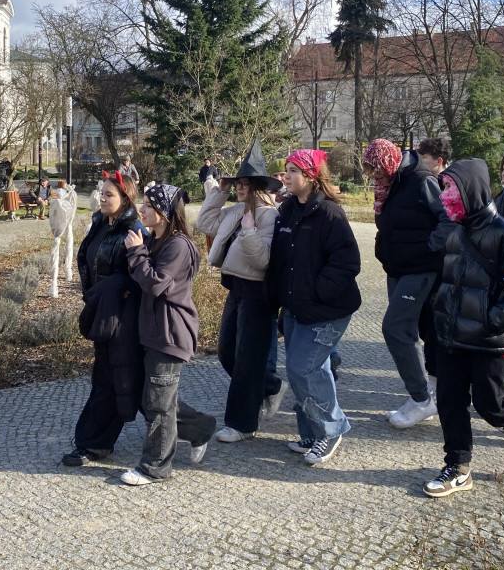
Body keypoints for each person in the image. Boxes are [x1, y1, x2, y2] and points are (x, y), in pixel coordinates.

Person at [422, 158, 504, 498]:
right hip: (452, 338)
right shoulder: (455, 231)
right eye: (443, 189)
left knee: (490, 404)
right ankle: (458, 466)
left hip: (488, 341)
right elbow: (450, 283)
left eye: (450, 188)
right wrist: (439, 314)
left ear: (471, 190)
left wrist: (485, 322)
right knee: (448, 401)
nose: (445, 196)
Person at [267, 149, 361, 465]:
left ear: (310, 176)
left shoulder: (330, 214)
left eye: (293, 170)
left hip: (327, 308)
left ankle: (332, 429)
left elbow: (347, 264)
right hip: (297, 306)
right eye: (286, 170)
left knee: (302, 368)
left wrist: (316, 292)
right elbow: (281, 261)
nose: (286, 175)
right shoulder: (289, 210)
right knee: (306, 370)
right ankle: (311, 433)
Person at [118, 184, 216, 485]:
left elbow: (156, 284)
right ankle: (200, 428)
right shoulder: (155, 239)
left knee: (159, 404)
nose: (141, 209)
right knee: (156, 399)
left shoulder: (178, 246)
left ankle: (156, 467)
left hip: (170, 334)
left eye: (149, 205)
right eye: (143, 203)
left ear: (164, 211)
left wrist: (135, 252)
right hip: (152, 331)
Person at [195, 140, 284, 444]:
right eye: (238, 183)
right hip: (235, 288)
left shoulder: (269, 216)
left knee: (247, 359)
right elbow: (204, 221)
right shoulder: (234, 209)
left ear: (258, 186)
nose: (240, 188)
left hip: (258, 294)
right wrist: (219, 190)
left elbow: (263, 261)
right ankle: (270, 386)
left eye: (245, 184)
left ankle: (242, 423)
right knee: (226, 352)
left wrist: (248, 231)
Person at [363, 139, 453, 429]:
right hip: (397, 267)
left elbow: (449, 219)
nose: (373, 176)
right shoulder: (390, 182)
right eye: (368, 170)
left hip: (421, 267)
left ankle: (421, 399)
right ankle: (428, 395)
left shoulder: (421, 179)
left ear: (388, 161)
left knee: (395, 328)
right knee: (414, 330)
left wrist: (428, 246)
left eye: (375, 169)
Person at [62, 171, 145, 466]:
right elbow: (85, 260)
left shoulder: (134, 228)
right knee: (124, 382)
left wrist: (119, 288)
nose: (102, 198)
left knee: (115, 381)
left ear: (126, 198)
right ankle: (193, 427)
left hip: (124, 319)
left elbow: (144, 274)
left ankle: (93, 444)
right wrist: (94, 297)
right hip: (103, 311)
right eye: (101, 193)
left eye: (109, 194)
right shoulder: (100, 223)